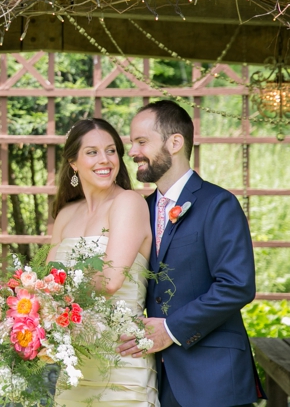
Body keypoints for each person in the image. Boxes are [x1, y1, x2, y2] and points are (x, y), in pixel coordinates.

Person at [117, 100, 264, 407]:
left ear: (175, 142)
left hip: (214, 379)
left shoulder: (218, 203)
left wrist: (170, 329)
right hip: (157, 379)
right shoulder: (139, 211)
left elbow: (237, 285)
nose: (132, 152)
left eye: (141, 142)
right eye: (133, 143)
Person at [48, 118, 158, 406]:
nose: (105, 160)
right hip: (74, 368)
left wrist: (54, 295)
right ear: (73, 162)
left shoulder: (128, 203)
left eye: (111, 151)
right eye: (92, 152)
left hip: (120, 364)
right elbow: (42, 287)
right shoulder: (66, 215)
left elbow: (110, 281)